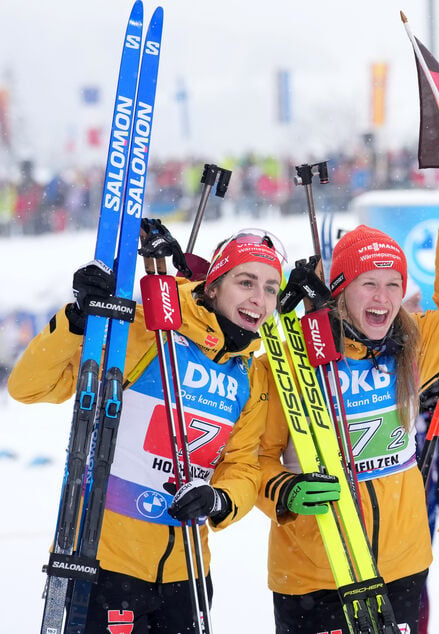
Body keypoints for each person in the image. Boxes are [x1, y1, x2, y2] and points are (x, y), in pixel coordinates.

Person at [255, 150, 439, 634]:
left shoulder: (413, 342)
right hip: (315, 573)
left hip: (400, 565)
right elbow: (253, 456)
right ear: (338, 290)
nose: (382, 297)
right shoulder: (292, 357)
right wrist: (284, 491)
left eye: (392, 284)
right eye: (368, 284)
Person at [8, 224, 294, 632]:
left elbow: (243, 466)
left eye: (270, 288)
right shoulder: (147, 333)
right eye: (245, 281)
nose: (258, 299)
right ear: (212, 287)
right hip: (103, 562)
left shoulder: (251, 373)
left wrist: (218, 499)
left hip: (188, 576)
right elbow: (29, 387)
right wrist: (77, 320)